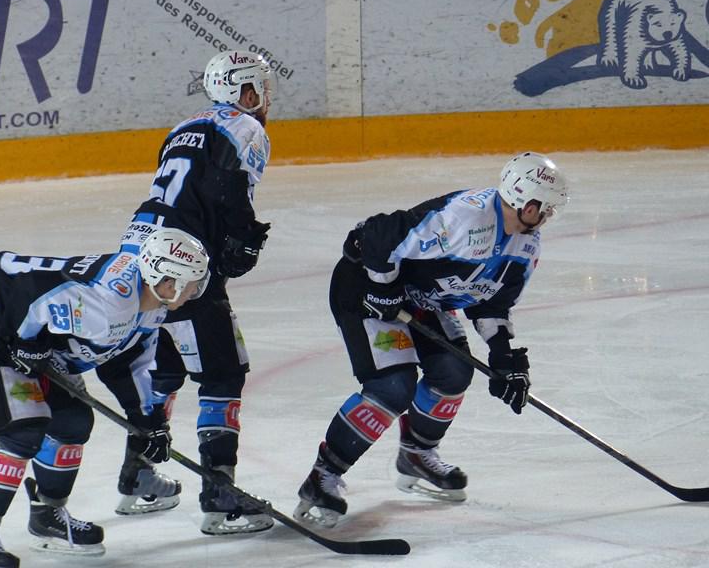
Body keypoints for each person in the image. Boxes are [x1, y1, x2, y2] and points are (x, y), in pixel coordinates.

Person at [293, 152, 570, 527]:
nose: (548, 217)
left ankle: (416, 454)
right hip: (365, 289)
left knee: (454, 373)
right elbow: (373, 236)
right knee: (393, 386)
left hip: (423, 300)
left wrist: (503, 357)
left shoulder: (526, 246)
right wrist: (383, 289)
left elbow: (492, 304)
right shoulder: (466, 217)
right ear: (527, 204)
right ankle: (322, 476)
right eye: (546, 208)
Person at [0, 228, 210, 568]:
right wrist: (26, 342)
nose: (194, 291)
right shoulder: (109, 302)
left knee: (72, 422)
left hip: (32, 332)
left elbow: (129, 364)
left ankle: (47, 516)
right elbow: (32, 290)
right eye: (191, 284)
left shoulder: (150, 306)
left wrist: (149, 421)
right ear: (166, 281)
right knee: (22, 429)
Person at [114, 49, 275, 535]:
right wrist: (243, 237)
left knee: (162, 368)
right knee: (223, 372)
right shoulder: (246, 127)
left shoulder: (182, 127)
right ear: (244, 91)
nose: (266, 98)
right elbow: (228, 188)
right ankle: (219, 498)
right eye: (260, 88)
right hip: (181, 258)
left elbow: (182, 189)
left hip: (139, 246)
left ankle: (138, 477)